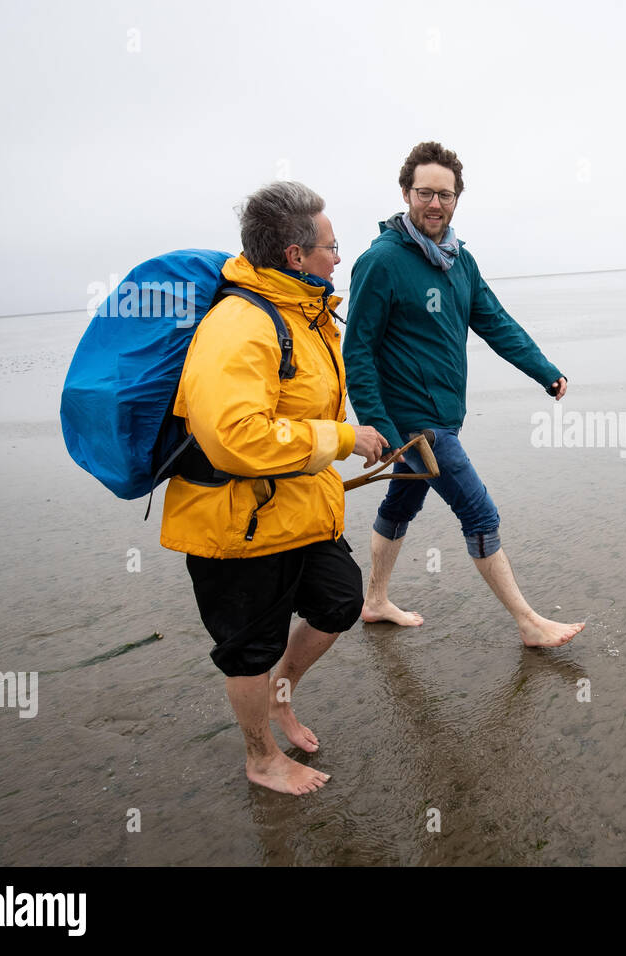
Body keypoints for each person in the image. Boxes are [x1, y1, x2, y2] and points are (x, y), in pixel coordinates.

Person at [161, 181, 388, 795]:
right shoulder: (241, 324)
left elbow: (306, 402)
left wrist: (352, 430)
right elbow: (235, 437)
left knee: (340, 602)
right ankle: (260, 757)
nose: (339, 258)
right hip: (234, 524)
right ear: (295, 256)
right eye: (332, 247)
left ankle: (280, 695)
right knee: (248, 652)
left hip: (295, 507)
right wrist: (341, 439)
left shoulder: (305, 314)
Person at [343, 141, 584, 648]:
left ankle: (375, 600)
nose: (436, 204)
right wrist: (378, 425)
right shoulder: (381, 262)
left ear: (457, 199)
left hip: (444, 414)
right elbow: (358, 350)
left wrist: (544, 371)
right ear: (407, 193)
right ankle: (528, 622)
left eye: (445, 195)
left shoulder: (460, 261)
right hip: (415, 422)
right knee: (479, 513)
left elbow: (494, 320)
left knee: (400, 504)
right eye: (426, 193)